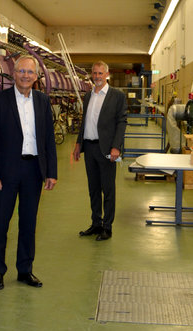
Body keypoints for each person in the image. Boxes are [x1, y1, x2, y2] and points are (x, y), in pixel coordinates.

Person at [0, 55, 57, 291]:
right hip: (5, 173)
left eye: (30, 72)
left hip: (33, 170)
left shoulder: (43, 101)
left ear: (36, 76)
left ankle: (25, 270)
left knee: (28, 222)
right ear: (13, 74)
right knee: (0, 223)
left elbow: (48, 138)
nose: (26, 75)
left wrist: (51, 172)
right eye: (21, 71)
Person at [72, 61, 127, 241]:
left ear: (107, 74)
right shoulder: (88, 96)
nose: (97, 76)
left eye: (100, 73)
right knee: (93, 188)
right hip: (89, 147)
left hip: (107, 149)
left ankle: (107, 227)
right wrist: (78, 143)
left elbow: (122, 122)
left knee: (108, 189)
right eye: (94, 73)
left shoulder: (117, 96)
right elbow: (85, 122)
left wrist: (116, 146)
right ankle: (96, 223)